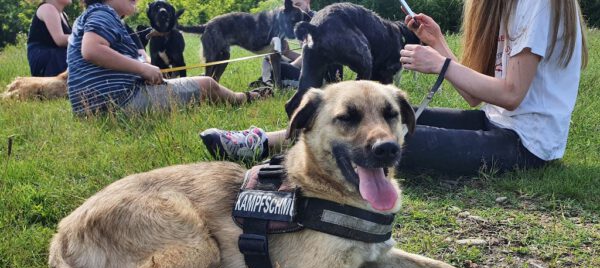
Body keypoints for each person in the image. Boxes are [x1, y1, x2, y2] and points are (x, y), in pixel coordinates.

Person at [201, 0, 588, 175]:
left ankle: (279, 163)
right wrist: (440, 44)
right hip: (495, 123)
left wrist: (442, 64)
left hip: (526, 145)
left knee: (390, 143)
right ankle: (262, 142)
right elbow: (478, 96)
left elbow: (511, 94)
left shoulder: (538, 3)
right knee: (384, 122)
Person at [67, 0, 272, 115]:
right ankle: (246, 97)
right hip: (119, 102)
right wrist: (142, 69)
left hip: (89, 107)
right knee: (208, 84)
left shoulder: (88, 17)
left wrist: (142, 66)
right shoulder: (104, 14)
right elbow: (91, 50)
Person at [27, 0, 73, 76]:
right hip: (47, 59)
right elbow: (60, 39)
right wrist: (85, 39)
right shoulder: (47, 8)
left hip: (55, 57)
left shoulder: (62, 14)